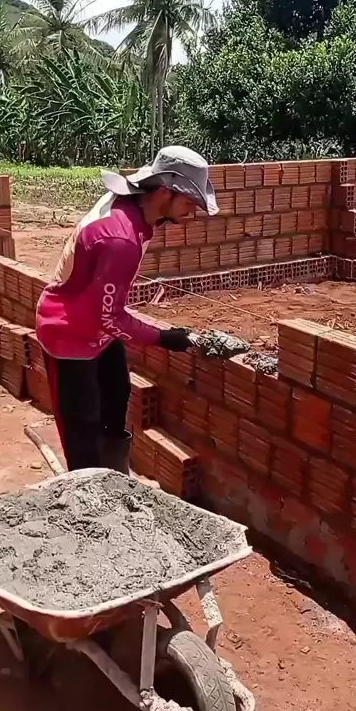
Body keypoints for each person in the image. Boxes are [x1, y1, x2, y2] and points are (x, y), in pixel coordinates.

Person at [36, 145, 219, 475]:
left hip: (96, 326)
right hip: (68, 333)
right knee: (83, 425)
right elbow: (109, 317)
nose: (192, 211)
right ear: (164, 192)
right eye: (189, 202)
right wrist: (164, 337)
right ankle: (88, 488)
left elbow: (104, 312)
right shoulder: (121, 239)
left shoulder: (133, 205)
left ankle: (115, 479)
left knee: (116, 396)